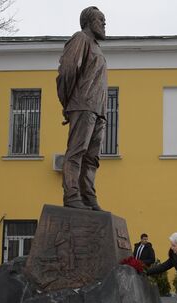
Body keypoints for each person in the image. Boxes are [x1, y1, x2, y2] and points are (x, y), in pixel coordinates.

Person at [57, 6, 108, 210]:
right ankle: (72, 195)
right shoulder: (80, 39)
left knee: (92, 158)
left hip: (98, 110)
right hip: (83, 105)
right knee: (77, 152)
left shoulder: (97, 48)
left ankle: (88, 196)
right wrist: (67, 102)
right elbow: (67, 72)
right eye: (100, 19)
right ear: (88, 21)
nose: (104, 23)